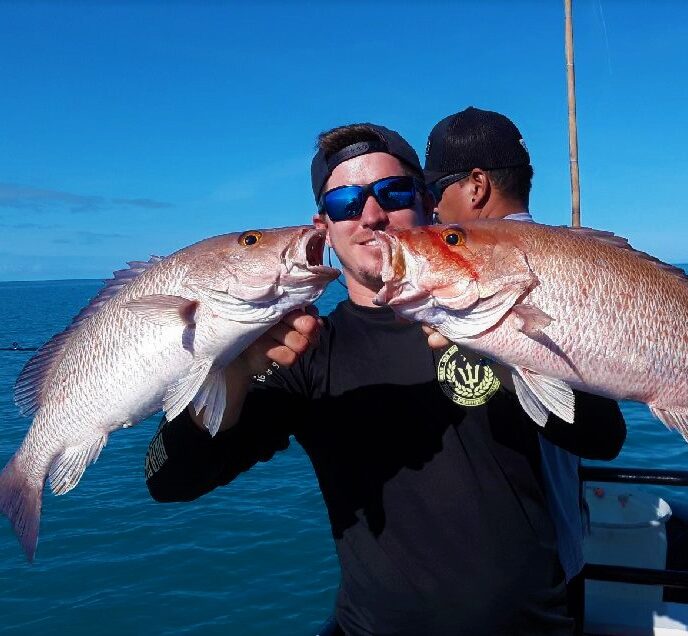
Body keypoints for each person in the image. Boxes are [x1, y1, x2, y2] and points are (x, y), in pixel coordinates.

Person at [145, 122, 623, 635]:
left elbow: (603, 436)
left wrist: (508, 362)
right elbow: (169, 479)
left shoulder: (493, 318)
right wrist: (233, 373)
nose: (372, 215)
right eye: (346, 201)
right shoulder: (304, 352)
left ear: (425, 205)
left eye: (392, 193)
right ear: (323, 225)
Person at [423, 105, 626, 615]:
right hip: (560, 558)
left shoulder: (484, 274)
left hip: (538, 573)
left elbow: (603, 433)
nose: (430, 211)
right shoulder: (584, 257)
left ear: (475, 186)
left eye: (433, 193)